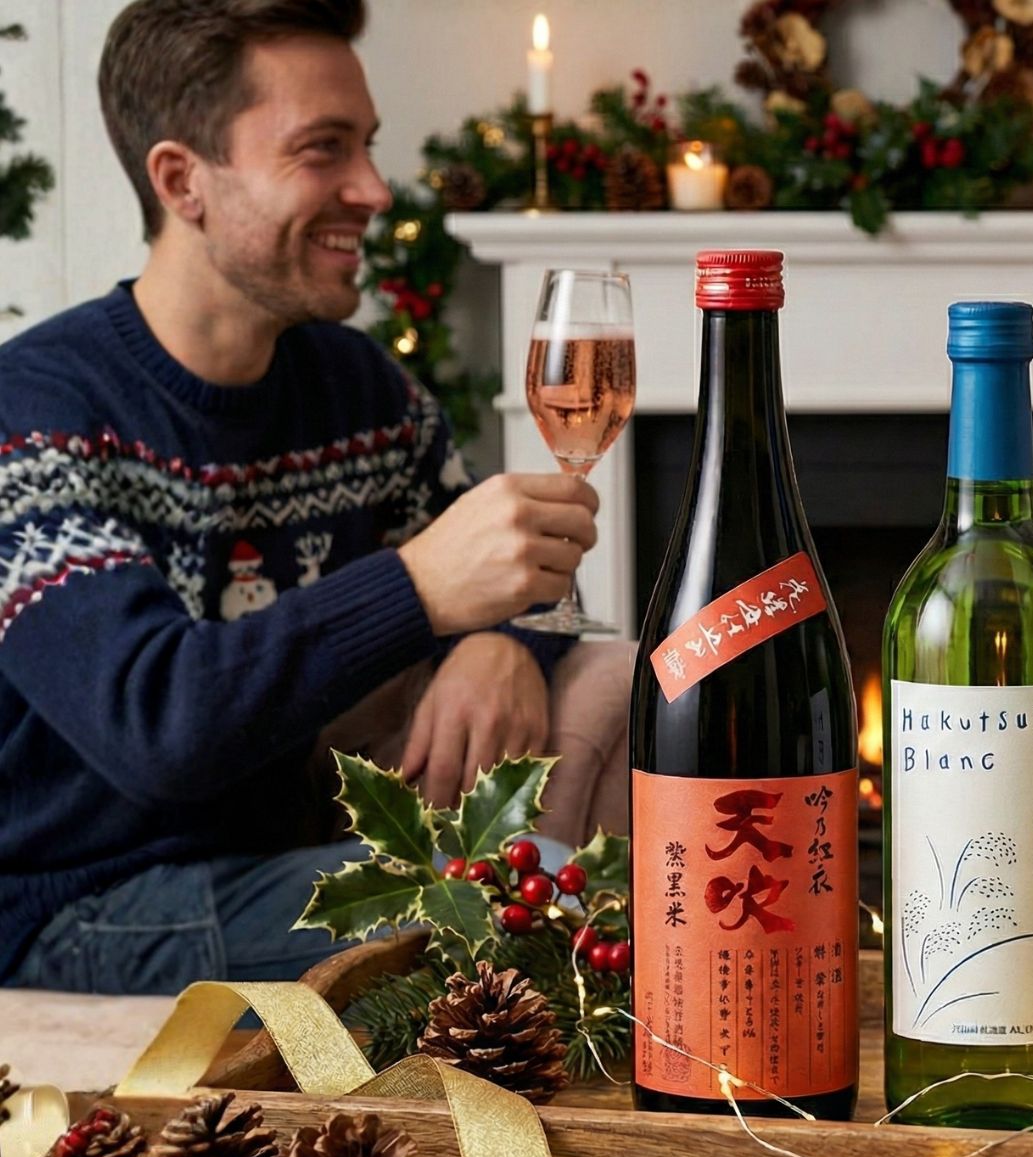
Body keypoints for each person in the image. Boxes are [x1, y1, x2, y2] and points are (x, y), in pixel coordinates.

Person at [0, 0, 629, 995]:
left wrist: (506, 640)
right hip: (80, 911)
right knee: (553, 906)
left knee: (604, 818)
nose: (374, 189)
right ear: (183, 181)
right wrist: (420, 589)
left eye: (367, 147)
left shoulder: (359, 390)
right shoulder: (33, 414)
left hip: (288, 865)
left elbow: (518, 580)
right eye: (323, 150)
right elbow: (154, 725)